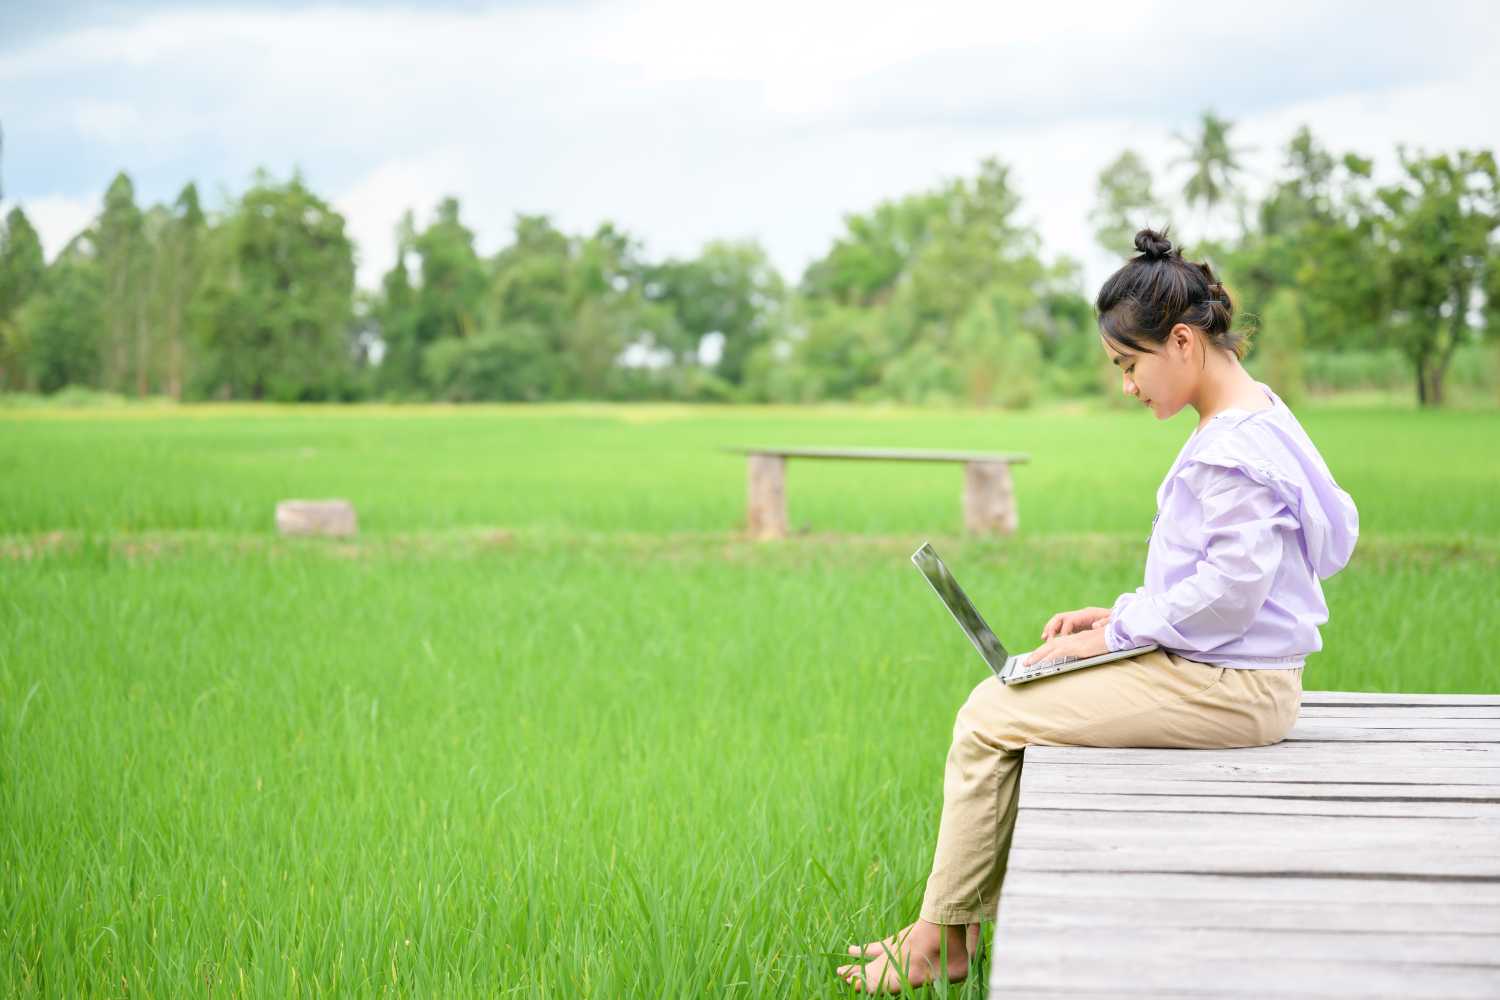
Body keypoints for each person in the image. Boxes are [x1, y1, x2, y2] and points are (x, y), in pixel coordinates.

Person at [836, 227, 1360, 993]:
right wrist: (1117, 615)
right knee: (1009, 700)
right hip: (1239, 671)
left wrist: (1116, 634)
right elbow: (1312, 540)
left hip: (1232, 687)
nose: (1126, 385)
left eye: (1128, 363)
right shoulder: (1263, 414)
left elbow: (1232, 590)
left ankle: (940, 940)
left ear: (1182, 341)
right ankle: (953, 927)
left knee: (989, 715)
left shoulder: (1226, 449)